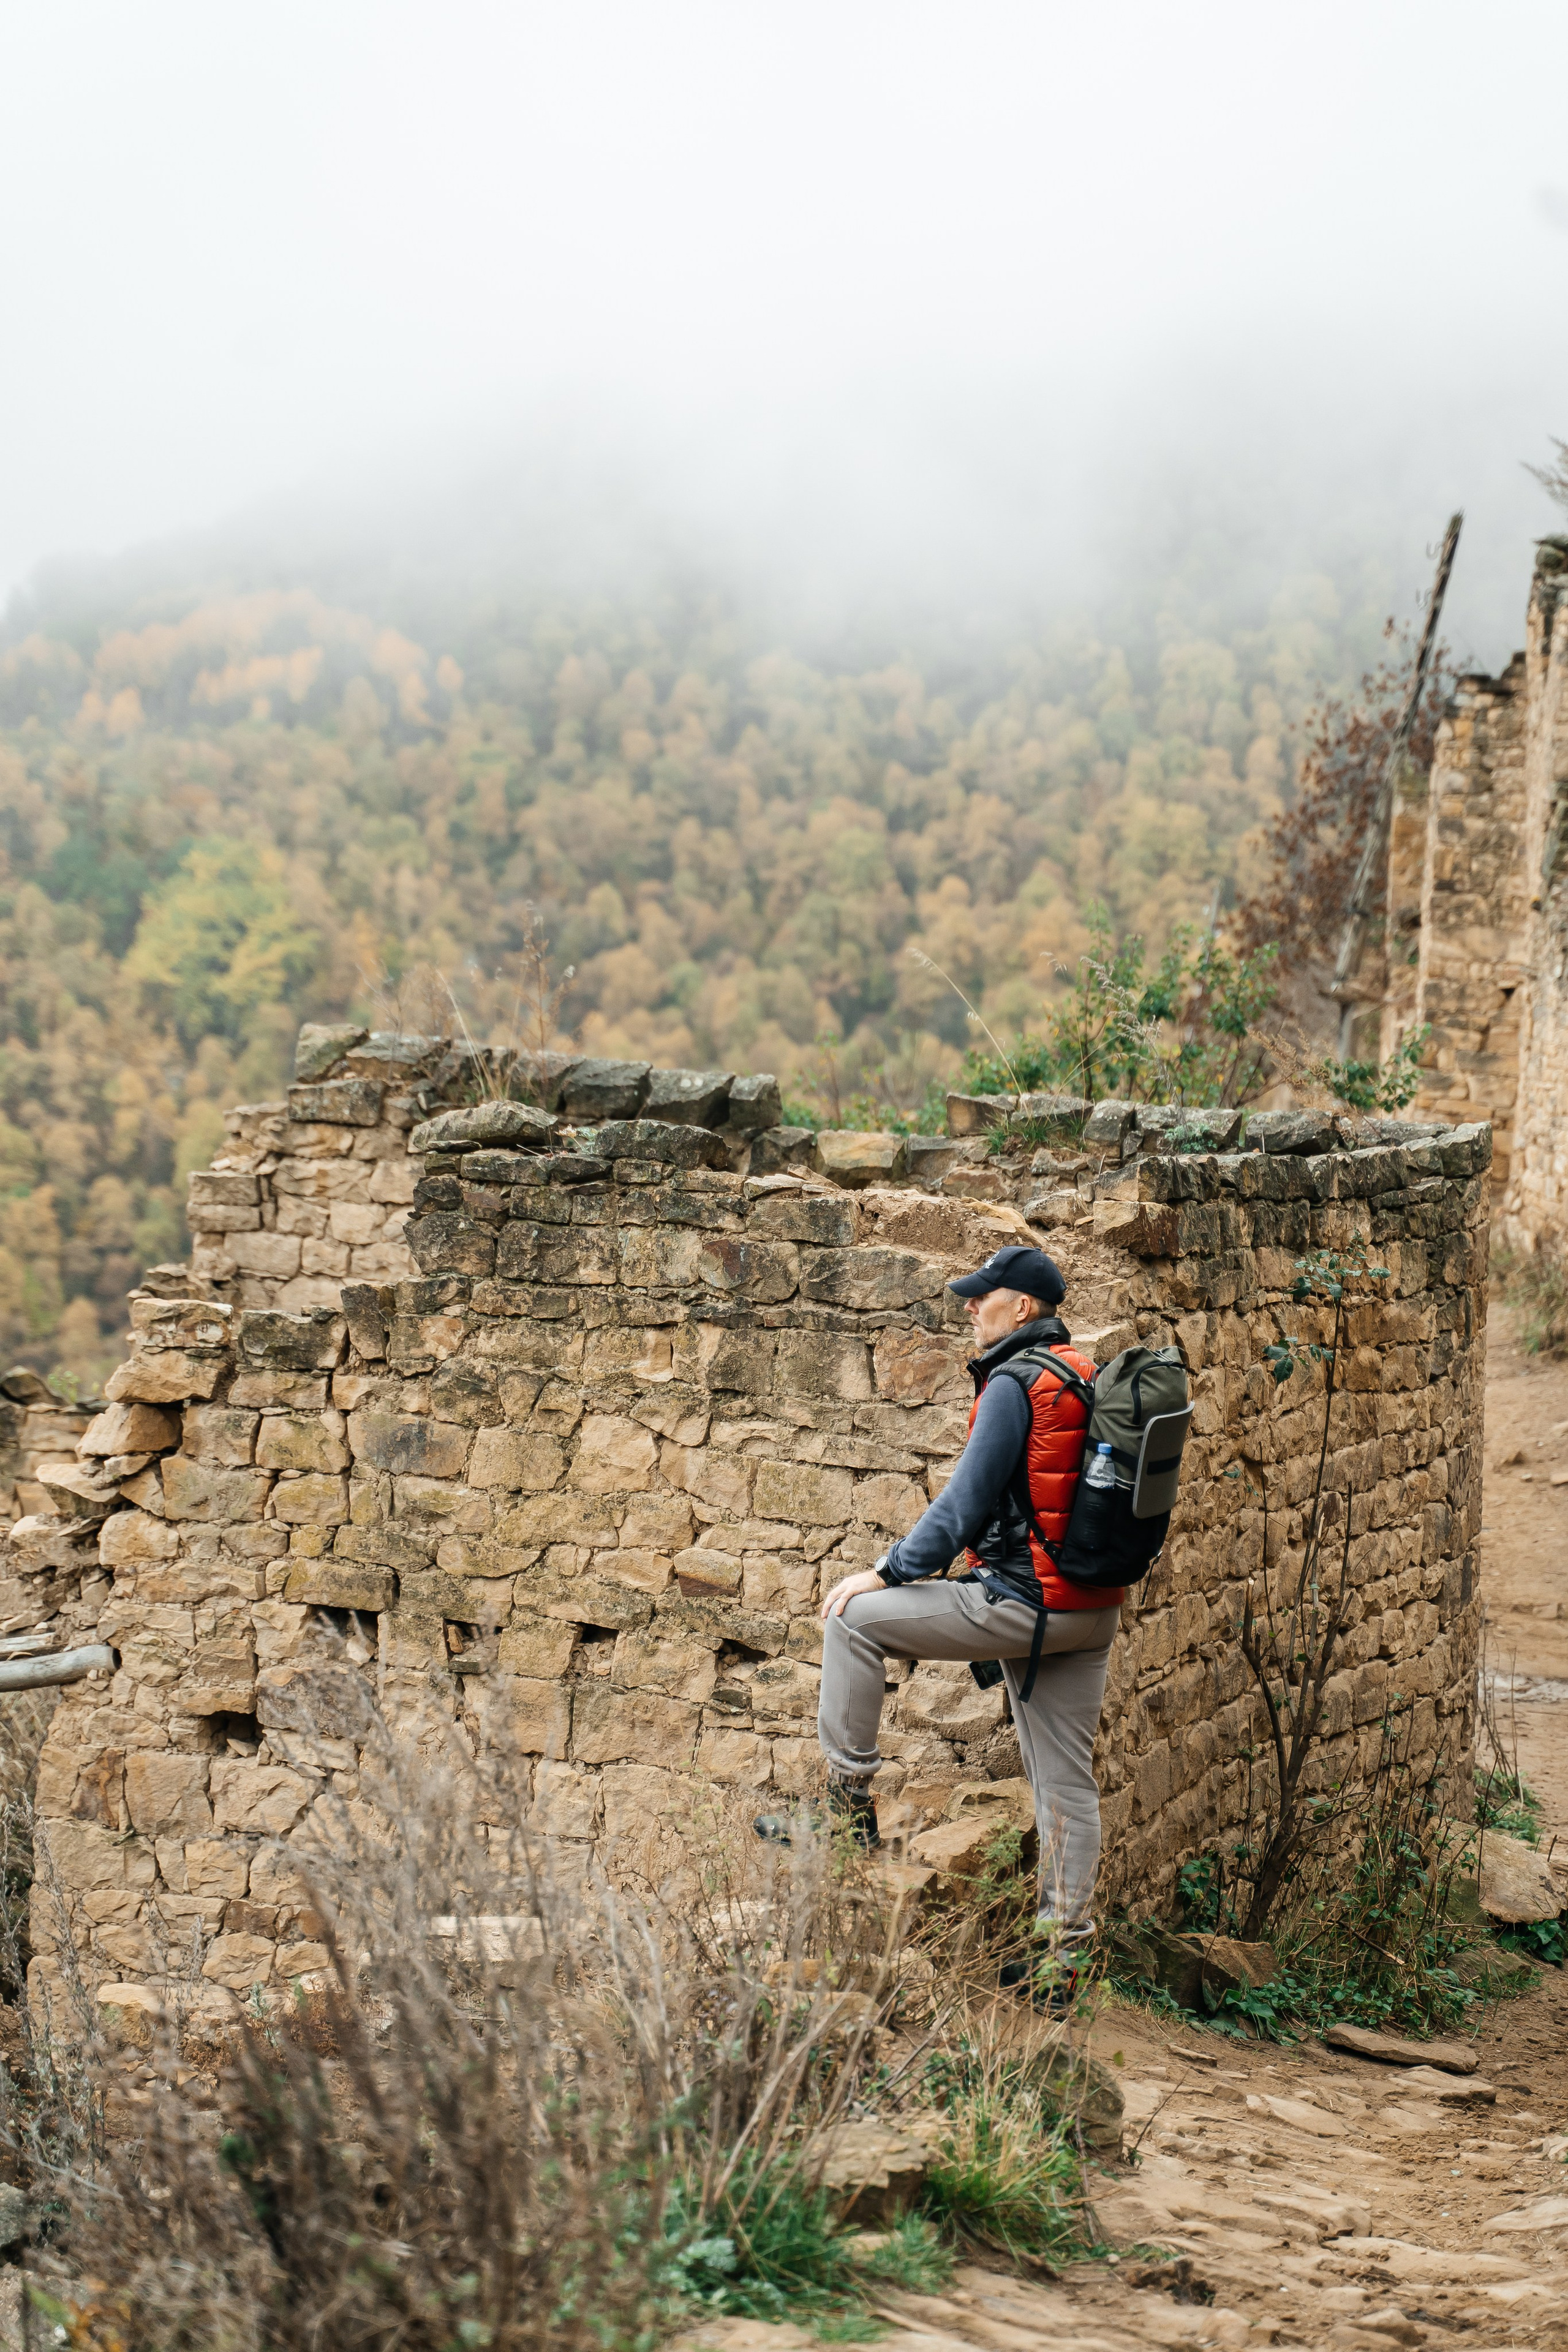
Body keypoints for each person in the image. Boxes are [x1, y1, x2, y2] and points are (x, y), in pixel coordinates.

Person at [755, 1243, 1123, 2010]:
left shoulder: (1015, 1384)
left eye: (983, 1296)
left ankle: (845, 1810)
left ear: (1022, 1308)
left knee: (853, 1621)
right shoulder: (1081, 1373)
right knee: (1066, 1785)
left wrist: (884, 1573)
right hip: (1090, 1611)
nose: (969, 1306)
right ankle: (1064, 1965)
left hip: (1025, 1605)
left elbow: (963, 1503)